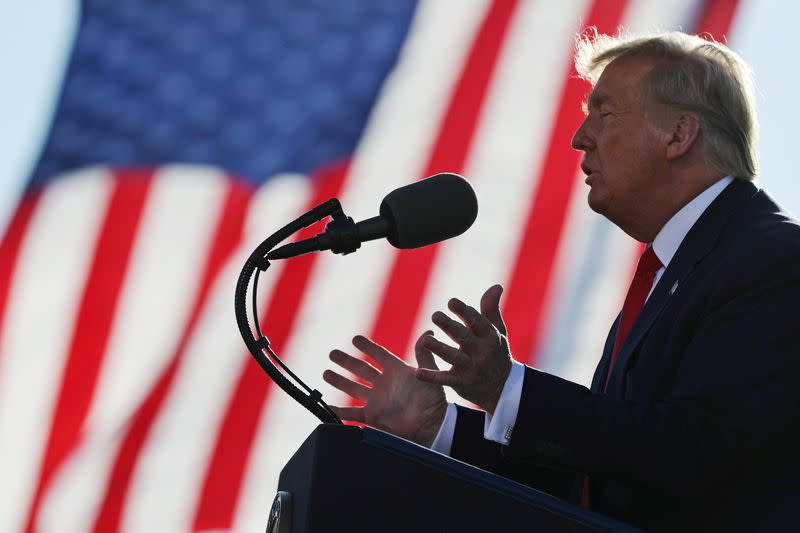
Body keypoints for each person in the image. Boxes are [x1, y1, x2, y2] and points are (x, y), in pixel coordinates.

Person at [322, 30, 800, 531]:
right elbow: (603, 482)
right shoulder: (677, 271)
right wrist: (440, 425)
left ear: (679, 135)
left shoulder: (773, 260)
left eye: (605, 113)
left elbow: (699, 455)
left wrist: (512, 390)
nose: (580, 137)